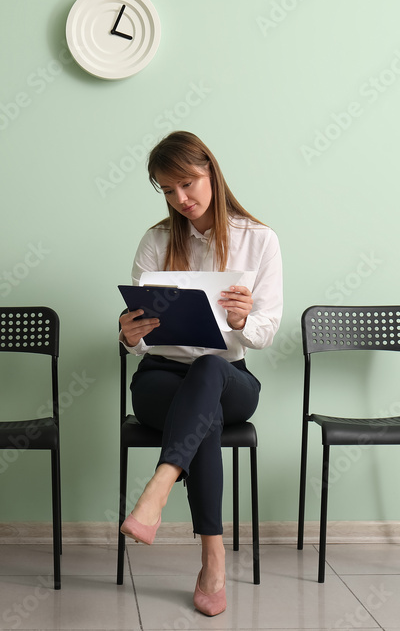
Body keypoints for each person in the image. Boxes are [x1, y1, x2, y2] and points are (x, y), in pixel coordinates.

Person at [118, 131, 282, 617]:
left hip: (229, 376)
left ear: (210, 169)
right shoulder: (157, 240)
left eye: (186, 183)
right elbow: (138, 338)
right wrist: (130, 335)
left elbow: (268, 329)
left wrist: (242, 321)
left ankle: (160, 486)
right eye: (167, 190)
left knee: (209, 370)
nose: (180, 199)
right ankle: (213, 562)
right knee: (201, 413)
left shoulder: (260, 239)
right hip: (160, 381)